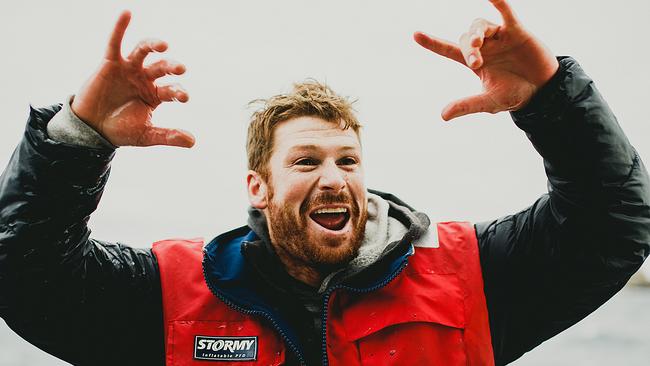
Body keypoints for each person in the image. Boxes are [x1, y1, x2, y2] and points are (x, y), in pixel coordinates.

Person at [0, 0, 648, 365]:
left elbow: (612, 224)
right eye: (306, 162)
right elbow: (24, 276)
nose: (334, 178)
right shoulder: (171, 295)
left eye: (348, 160)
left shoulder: (470, 278)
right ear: (257, 186)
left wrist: (552, 100)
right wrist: (78, 137)